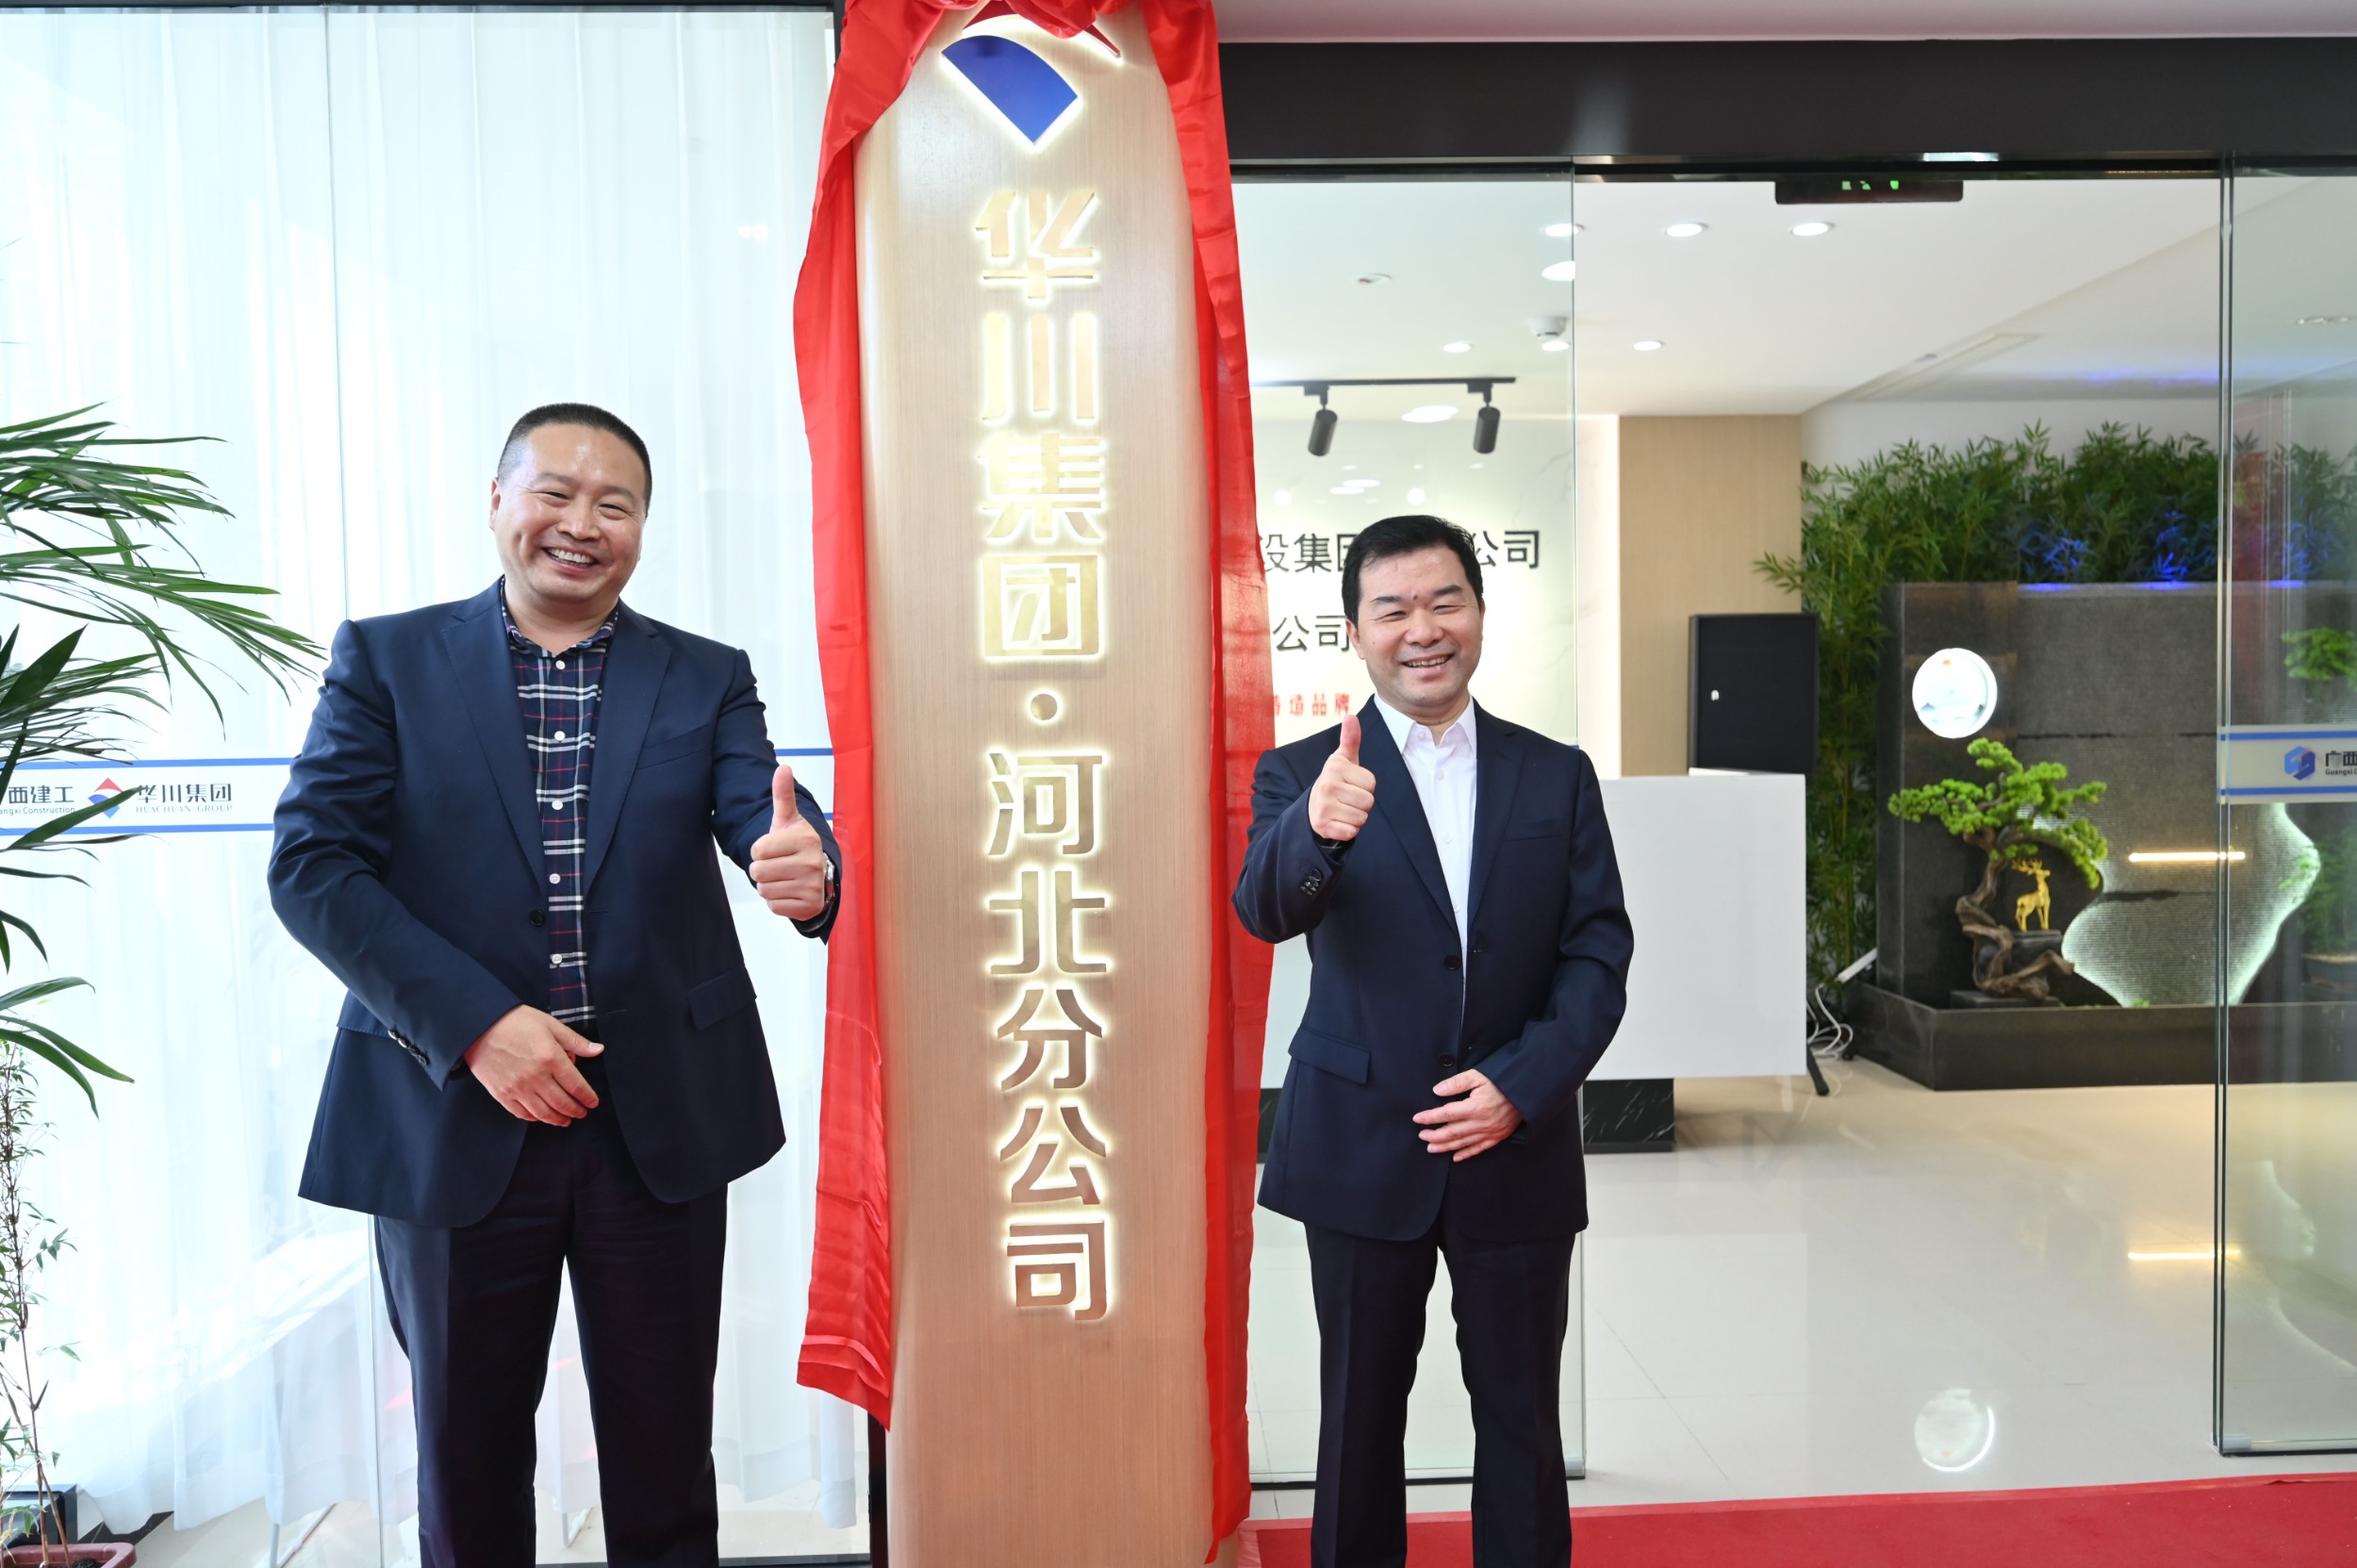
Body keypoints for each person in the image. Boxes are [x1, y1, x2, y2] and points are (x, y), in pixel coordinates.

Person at [269, 404, 839, 1568]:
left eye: (614, 504)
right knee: (467, 1461)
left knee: (665, 1457)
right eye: (556, 493)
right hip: (452, 1110)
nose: (583, 523)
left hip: (653, 1120)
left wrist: (805, 866)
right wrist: (479, 1025)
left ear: (642, 529)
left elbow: (766, 812)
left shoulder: (704, 675)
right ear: (499, 502)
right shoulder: (388, 660)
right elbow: (313, 866)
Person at [1233, 514, 1634, 1568]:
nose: (1423, 628)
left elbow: (1597, 954)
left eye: (1444, 600)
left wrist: (1520, 1085)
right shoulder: (1304, 773)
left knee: (1521, 1424)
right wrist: (1314, 829)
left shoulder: (1555, 773)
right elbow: (1263, 910)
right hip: (1361, 1144)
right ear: (1355, 633)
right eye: (1393, 609)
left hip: (1515, 1143)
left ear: (1480, 613)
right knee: (1357, 1424)